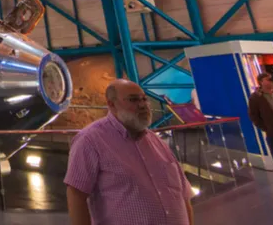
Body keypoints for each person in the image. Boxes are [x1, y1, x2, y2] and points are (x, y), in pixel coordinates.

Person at [65, 79, 195, 225]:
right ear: (111, 104)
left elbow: (183, 197)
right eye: (133, 100)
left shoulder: (158, 143)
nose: (142, 105)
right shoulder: (90, 140)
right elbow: (76, 194)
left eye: (144, 99)